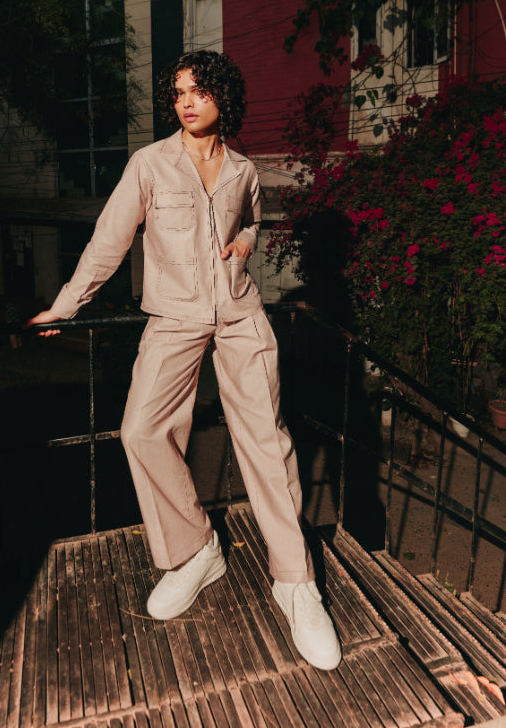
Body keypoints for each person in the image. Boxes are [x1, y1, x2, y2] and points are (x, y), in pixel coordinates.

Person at [26, 50, 341, 670]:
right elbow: (108, 242)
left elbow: (252, 221)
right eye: (177, 92)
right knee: (141, 430)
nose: (186, 102)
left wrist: (244, 242)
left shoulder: (244, 169)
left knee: (266, 442)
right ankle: (196, 552)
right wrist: (65, 305)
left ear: (224, 96)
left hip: (242, 315)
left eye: (198, 90)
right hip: (173, 316)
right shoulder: (149, 165)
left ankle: (296, 583)